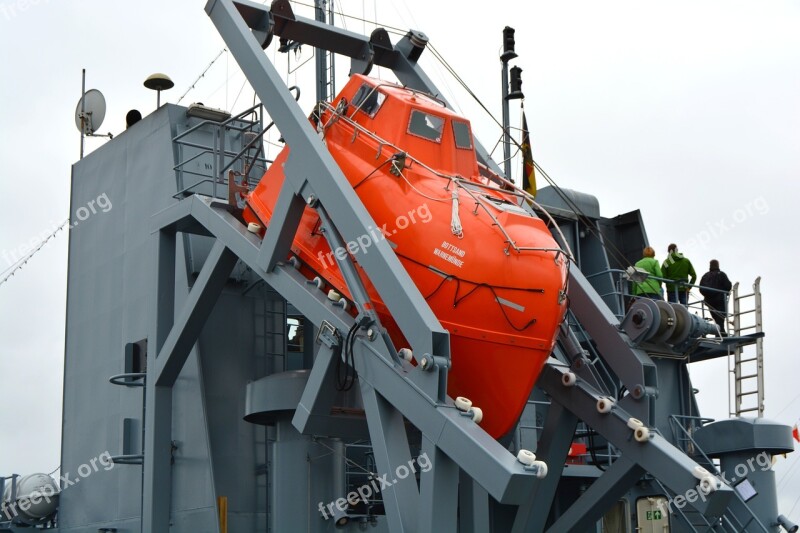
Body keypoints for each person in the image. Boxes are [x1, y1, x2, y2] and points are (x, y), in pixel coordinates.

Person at [699, 259, 732, 335]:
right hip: (720, 299)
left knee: (716, 319)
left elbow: (701, 288)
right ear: (718, 265)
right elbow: (728, 286)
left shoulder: (705, 276)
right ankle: (721, 334)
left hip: (709, 301)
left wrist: (709, 294)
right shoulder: (721, 274)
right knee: (720, 318)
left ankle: (719, 333)